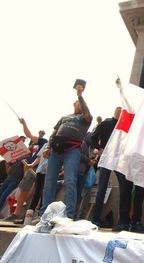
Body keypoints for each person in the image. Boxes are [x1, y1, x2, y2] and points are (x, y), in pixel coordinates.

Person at [39, 79, 92, 219]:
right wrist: (48, 147)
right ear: (73, 105)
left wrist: (80, 95)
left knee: (70, 181)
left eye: (81, 103)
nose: (79, 104)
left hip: (72, 150)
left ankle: (68, 216)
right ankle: (44, 215)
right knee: (49, 182)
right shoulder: (64, 117)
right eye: (77, 102)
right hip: (55, 150)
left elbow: (88, 114)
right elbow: (54, 132)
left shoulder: (85, 118)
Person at [91, 102, 144, 233]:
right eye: (118, 110)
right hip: (109, 158)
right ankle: (96, 219)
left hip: (124, 160)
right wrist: (99, 149)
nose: (120, 112)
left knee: (125, 188)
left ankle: (132, 221)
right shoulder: (106, 123)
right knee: (101, 189)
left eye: (121, 111)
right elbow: (92, 137)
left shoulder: (133, 125)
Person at [4, 119, 48, 222]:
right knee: (24, 188)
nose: (39, 135)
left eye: (41, 133)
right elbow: (29, 134)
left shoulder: (45, 142)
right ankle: (17, 213)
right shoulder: (39, 144)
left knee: (37, 191)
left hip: (42, 169)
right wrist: (24, 124)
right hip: (31, 167)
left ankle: (33, 214)